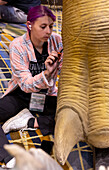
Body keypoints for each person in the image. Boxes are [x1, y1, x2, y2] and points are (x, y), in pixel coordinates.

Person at [0, 5, 63, 169]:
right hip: (21, 95)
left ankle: (29, 121)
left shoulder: (56, 41)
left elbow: (66, 71)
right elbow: (26, 85)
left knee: (75, 118)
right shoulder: (17, 46)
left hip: (46, 96)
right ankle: (10, 160)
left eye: (51, 26)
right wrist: (46, 74)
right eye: (43, 27)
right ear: (29, 25)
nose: (48, 31)